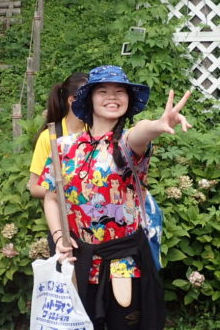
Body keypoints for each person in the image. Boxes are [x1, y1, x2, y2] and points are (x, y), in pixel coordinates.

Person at [38, 65, 191, 330]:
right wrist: (59, 238)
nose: (113, 96)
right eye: (104, 91)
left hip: (124, 263)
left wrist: (158, 124)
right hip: (79, 262)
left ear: (129, 100)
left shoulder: (125, 145)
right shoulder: (64, 147)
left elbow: (141, 132)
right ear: (89, 99)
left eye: (120, 91)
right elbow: (52, 197)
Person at [28, 72, 89, 199]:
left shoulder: (97, 132)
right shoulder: (50, 136)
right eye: (90, 98)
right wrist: (71, 195)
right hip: (63, 215)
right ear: (72, 100)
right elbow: (34, 187)